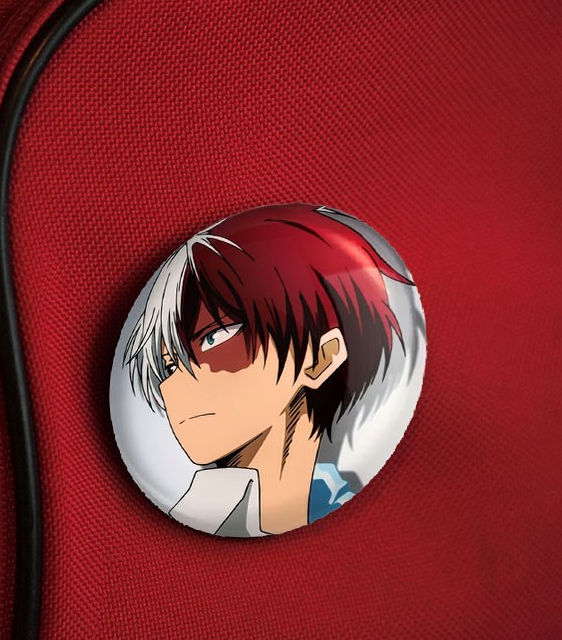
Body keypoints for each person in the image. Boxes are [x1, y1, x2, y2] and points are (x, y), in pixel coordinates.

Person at [124, 204, 412, 536]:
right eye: (170, 364)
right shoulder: (203, 504)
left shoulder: (359, 505)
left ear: (321, 357)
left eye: (216, 337)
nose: (173, 386)